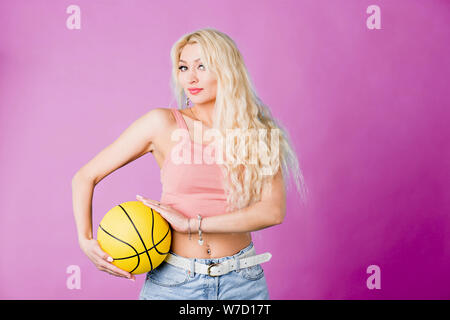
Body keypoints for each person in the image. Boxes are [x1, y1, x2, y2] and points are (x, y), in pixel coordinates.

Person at [71, 28, 308, 300]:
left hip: (243, 282)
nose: (190, 77)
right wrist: (85, 240)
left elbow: (272, 212)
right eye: (183, 67)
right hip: (174, 283)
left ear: (228, 71)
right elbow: (84, 176)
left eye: (202, 66)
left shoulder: (257, 131)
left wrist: (192, 224)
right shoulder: (162, 124)